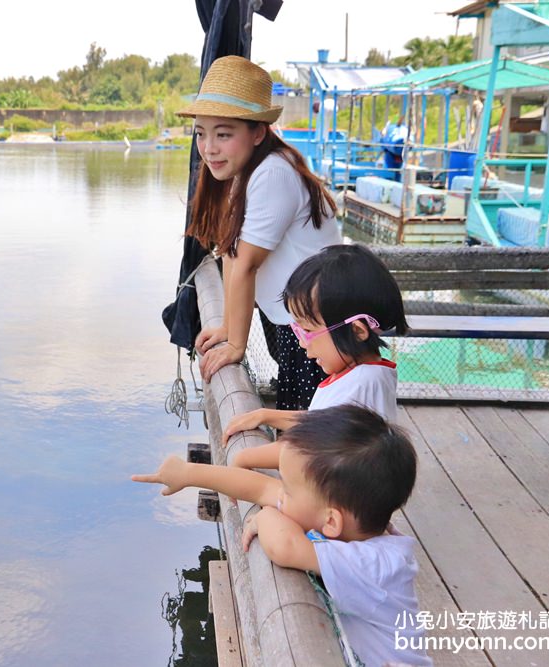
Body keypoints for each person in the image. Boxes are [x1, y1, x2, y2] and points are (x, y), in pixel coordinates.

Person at [132, 405, 431, 667]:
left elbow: (284, 545)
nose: (280, 494)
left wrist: (265, 516)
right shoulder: (348, 526)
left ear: (331, 521)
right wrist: (189, 473)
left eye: (287, 489)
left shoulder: (373, 564)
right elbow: (261, 488)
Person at [179, 56, 341, 409]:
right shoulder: (249, 172)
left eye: (223, 134)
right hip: (295, 321)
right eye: (201, 134)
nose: (209, 148)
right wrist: (225, 328)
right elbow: (234, 254)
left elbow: (246, 263)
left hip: (317, 330)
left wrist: (235, 344)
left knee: (309, 440)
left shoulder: (272, 173)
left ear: (258, 131)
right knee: (301, 433)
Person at [223, 244, 409, 469]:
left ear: (357, 331)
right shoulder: (366, 373)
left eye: (308, 331)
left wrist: (242, 458)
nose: (302, 342)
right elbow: (321, 422)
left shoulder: (359, 386)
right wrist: (265, 415)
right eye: (298, 330)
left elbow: (308, 447)